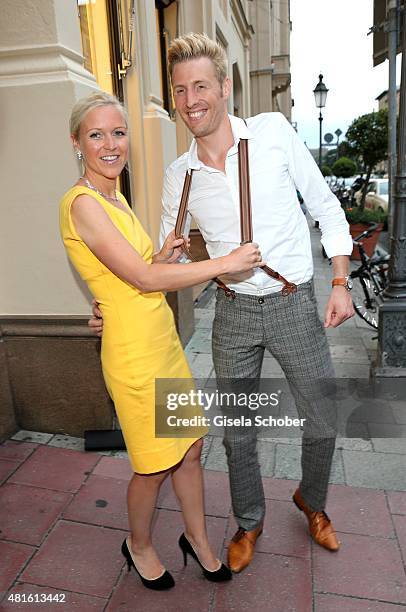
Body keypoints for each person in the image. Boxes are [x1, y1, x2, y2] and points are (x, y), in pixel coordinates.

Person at [90, 33, 355, 574]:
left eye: (202, 86)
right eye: (181, 89)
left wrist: (340, 281)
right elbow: (160, 262)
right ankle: (249, 520)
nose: (191, 100)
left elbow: (326, 207)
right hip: (232, 310)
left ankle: (313, 500)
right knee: (238, 433)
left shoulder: (275, 135)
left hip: (291, 302)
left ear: (225, 87)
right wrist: (113, 302)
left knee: (323, 416)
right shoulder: (178, 177)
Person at [60, 91, 264, 590]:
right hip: (133, 354)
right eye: (97, 134)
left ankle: (196, 539)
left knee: (190, 448)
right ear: (77, 143)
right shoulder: (82, 203)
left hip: (160, 340)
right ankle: (140, 544)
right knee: (153, 465)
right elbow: (142, 281)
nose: (111, 144)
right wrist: (223, 263)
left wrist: (165, 255)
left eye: (119, 132)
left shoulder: (114, 197)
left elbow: (133, 275)